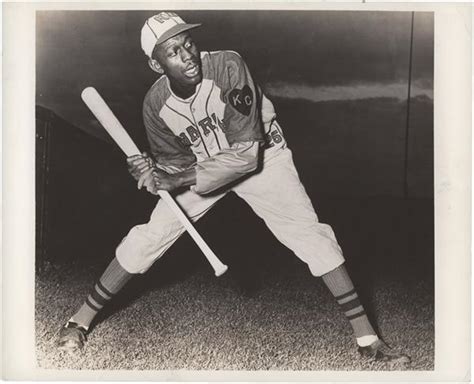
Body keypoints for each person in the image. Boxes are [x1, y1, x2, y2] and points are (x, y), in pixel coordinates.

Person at [58, 12, 410, 366]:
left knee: (311, 235)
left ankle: (368, 340)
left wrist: (175, 178)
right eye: (173, 51)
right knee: (148, 237)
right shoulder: (155, 105)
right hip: (201, 168)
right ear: (155, 63)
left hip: (261, 157)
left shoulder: (227, 66)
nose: (188, 55)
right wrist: (151, 171)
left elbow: (244, 156)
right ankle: (79, 322)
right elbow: (174, 167)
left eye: (188, 43)